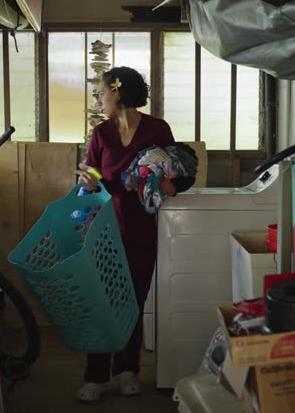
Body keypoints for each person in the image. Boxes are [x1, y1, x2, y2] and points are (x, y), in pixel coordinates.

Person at [77, 67, 176, 401]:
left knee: (132, 302)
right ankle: (95, 376)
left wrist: (170, 184)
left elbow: (178, 169)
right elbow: (92, 170)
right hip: (105, 228)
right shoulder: (101, 133)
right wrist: (88, 180)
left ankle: (127, 370)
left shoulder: (157, 129)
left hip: (143, 228)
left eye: (101, 92)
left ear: (117, 93)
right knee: (103, 302)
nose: (99, 99)